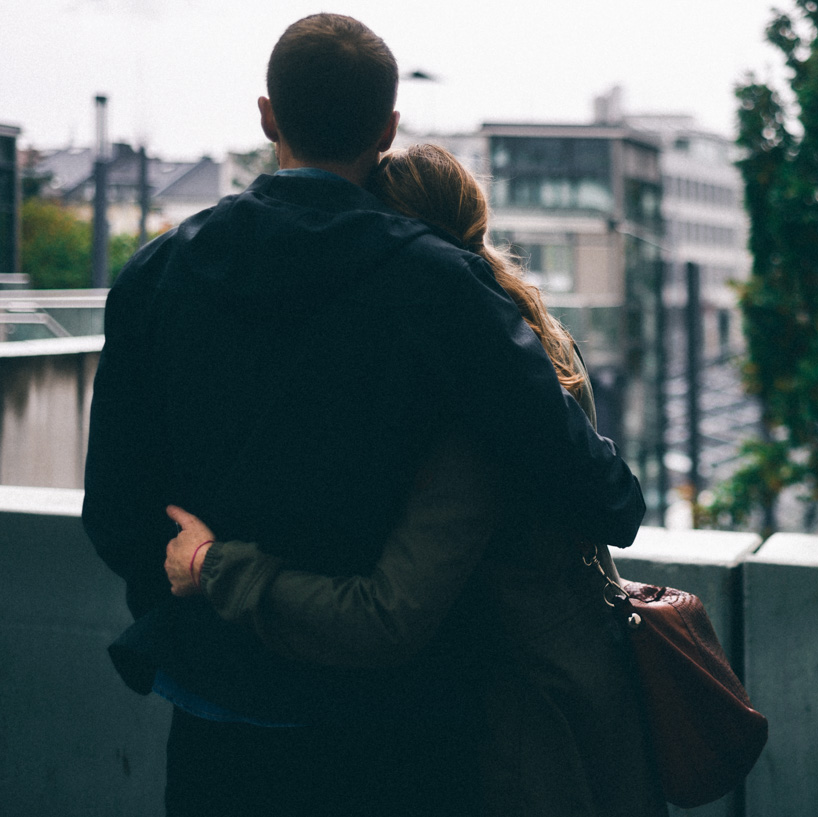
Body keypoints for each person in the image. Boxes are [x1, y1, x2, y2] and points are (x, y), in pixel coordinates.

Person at [83, 15, 644, 817]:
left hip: (217, 721)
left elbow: (113, 515)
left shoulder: (154, 277)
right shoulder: (440, 285)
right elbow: (605, 498)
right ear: (387, 128)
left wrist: (202, 597)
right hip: (404, 732)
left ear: (268, 115)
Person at [161, 144, 667, 817]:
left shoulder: (478, 402)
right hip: (576, 703)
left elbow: (388, 614)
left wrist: (215, 565)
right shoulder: (531, 340)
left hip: (531, 751)